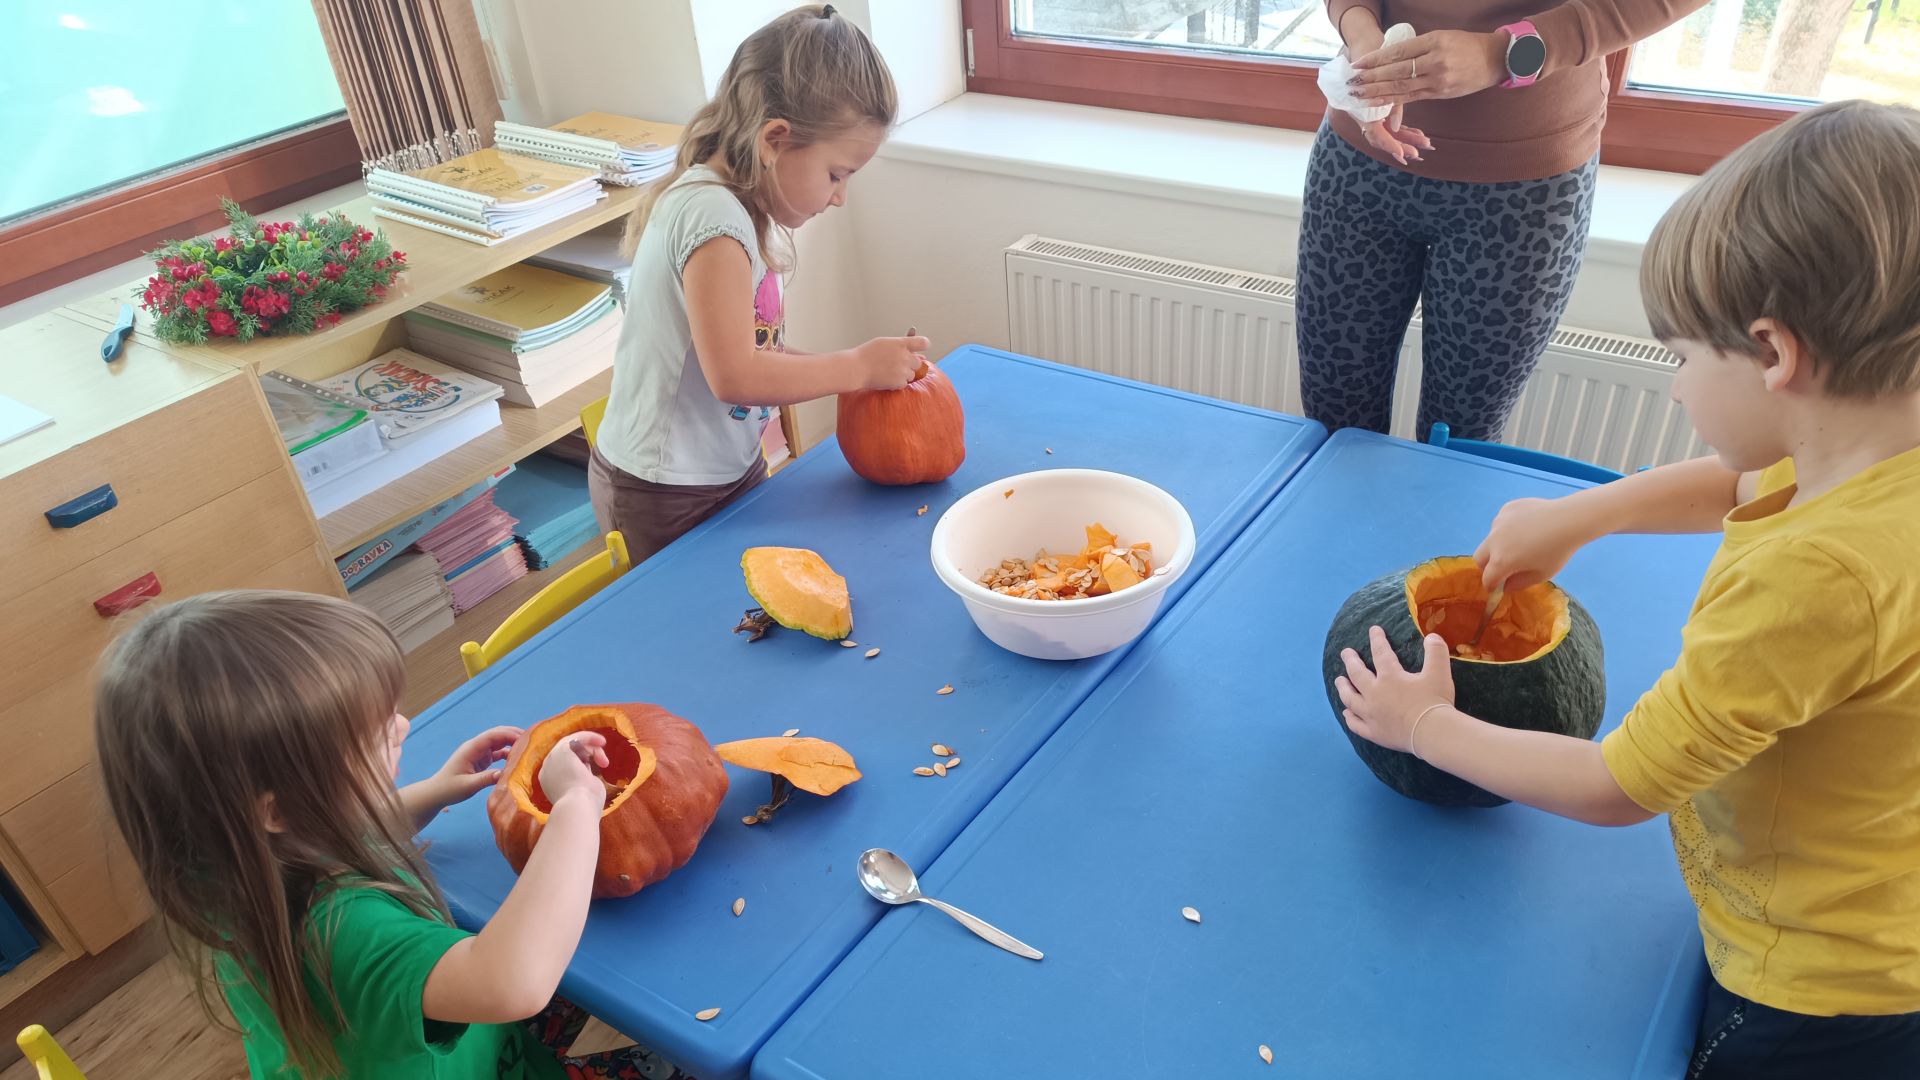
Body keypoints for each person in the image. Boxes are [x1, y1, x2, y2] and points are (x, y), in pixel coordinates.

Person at [1334, 100, 1920, 1076]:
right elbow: (1740, 484)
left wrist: (1424, 725)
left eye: (1682, 358)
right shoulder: (1874, 446)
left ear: (1775, 354)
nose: (1677, 387)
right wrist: (1580, 516)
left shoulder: (1816, 581)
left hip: (1814, 985)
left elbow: (1618, 788)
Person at [94, 590, 694, 1078]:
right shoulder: (342, 929)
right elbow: (515, 981)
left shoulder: (228, 859)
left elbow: (335, 830)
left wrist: (435, 791)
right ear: (276, 809)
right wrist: (577, 806)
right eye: (378, 735)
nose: (404, 726)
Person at [593, 3, 927, 562]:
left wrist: (854, 373)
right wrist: (856, 367)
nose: (840, 197)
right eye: (836, 174)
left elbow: (754, 351)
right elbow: (736, 374)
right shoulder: (714, 219)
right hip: (663, 490)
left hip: (722, 471)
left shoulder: (737, 207)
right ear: (774, 139)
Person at [1297, 1, 1706, 439]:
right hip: (1359, 160)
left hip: (1524, 187)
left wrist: (1504, 53)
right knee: (1332, 427)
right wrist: (1358, 25)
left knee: (1461, 441)